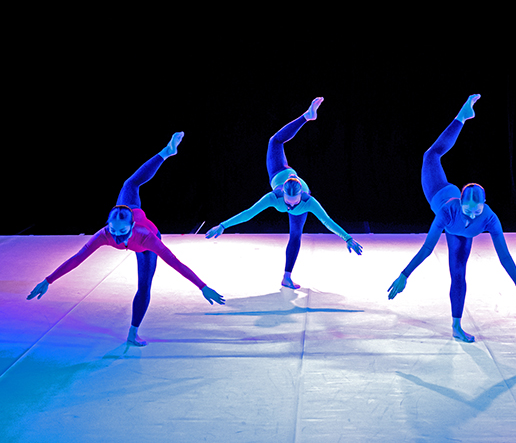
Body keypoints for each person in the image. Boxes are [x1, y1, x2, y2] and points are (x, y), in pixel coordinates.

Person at [27, 132, 225, 346]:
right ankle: (166, 152)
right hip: (129, 209)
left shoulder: (147, 239)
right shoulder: (105, 234)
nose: (116, 236)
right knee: (130, 184)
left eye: (122, 232)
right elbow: (78, 258)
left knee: (144, 286)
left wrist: (202, 286)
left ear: (131, 227)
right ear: (108, 224)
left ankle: (133, 332)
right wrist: (48, 280)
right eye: (113, 230)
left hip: (144, 244)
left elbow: (175, 262)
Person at [387, 94, 516, 342]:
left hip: (460, 231)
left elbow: (504, 256)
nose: (472, 214)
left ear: (484, 205)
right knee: (430, 155)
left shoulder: (489, 219)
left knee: (458, 274)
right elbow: (427, 248)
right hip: (439, 191)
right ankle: (461, 117)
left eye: (476, 210)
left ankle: (456, 326)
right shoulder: (448, 212)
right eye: (468, 209)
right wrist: (405, 274)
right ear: (461, 204)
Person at [206, 97, 362, 289]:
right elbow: (249, 213)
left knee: (295, 234)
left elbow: (327, 221)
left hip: (294, 184)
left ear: (301, 197)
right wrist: (222, 226)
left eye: (293, 203)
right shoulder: (275, 197)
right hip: (281, 172)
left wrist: (347, 238)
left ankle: (286, 277)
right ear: (282, 195)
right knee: (275, 141)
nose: (289, 206)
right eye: (288, 203)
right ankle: (307, 116)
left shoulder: (307, 201)